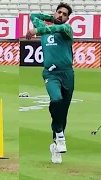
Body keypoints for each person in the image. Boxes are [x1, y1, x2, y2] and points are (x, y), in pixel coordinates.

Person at [26, 2, 74, 164]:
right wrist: (51, 18)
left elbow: (57, 28)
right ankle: (60, 136)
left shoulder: (67, 30)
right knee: (56, 100)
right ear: (55, 13)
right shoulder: (49, 23)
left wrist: (37, 30)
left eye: (64, 14)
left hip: (67, 74)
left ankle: (55, 145)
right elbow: (34, 16)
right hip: (51, 73)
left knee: (63, 112)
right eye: (58, 12)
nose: (61, 15)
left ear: (68, 18)